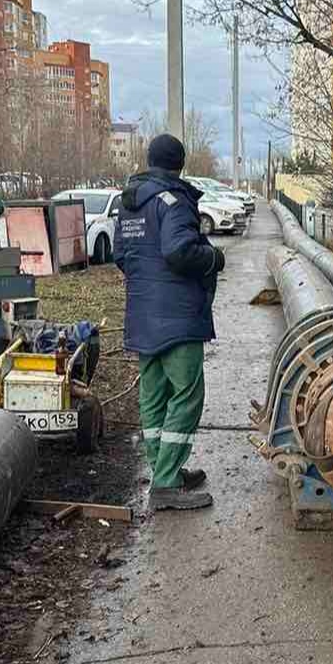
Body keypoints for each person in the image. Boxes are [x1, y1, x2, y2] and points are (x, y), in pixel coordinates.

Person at [114, 134, 225, 511]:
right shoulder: (173, 200)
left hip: (143, 313)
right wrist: (212, 258)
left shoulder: (129, 204)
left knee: (154, 395)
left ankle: (166, 469)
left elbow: (120, 255)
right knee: (187, 395)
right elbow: (179, 250)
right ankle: (165, 482)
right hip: (177, 316)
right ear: (180, 163)